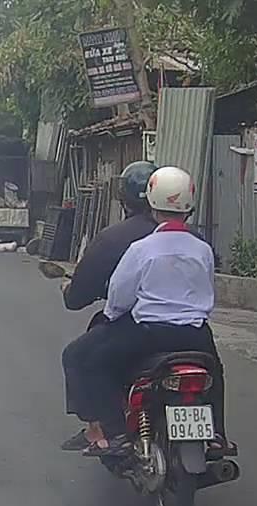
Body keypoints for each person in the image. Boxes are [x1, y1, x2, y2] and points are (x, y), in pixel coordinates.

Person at [75, 166, 229, 457]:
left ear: (151, 203)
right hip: (196, 334)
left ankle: (115, 433)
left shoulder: (141, 249)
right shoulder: (202, 249)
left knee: (94, 362)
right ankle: (218, 434)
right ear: (190, 206)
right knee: (214, 373)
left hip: (149, 334)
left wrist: (111, 315)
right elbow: (207, 289)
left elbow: (119, 296)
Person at [60, 161, 159, 451]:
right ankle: (216, 433)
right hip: (191, 330)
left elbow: (85, 296)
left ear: (123, 199)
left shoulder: (115, 239)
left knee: (77, 356)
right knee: (212, 368)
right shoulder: (191, 238)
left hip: (136, 327)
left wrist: (73, 292)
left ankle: (104, 430)